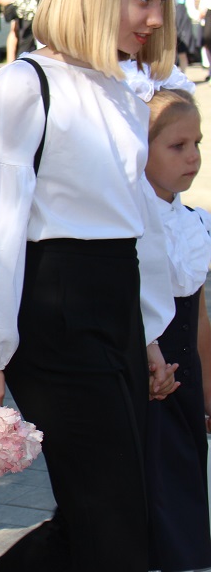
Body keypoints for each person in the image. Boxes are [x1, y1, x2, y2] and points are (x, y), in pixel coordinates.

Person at [0, 0, 181, 571]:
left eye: (164, 0)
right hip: (55, 312)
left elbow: (140, 222)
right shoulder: (25, 85)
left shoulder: (123, 91)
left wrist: (149, 334)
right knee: (109, 522)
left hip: (112, 307)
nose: (156, 18)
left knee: (115, 518)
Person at [122, 79, 211, 572]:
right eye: (177, 145)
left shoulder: (196, 223)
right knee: (154, 500)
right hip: (146, 383)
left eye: (197, 143)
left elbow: (198, 315)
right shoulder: (128, 221)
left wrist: (207, 393)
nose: (192, 156)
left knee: (187, 495)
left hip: (183, 384)